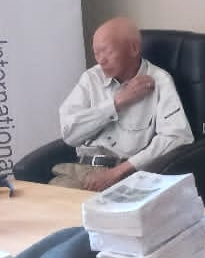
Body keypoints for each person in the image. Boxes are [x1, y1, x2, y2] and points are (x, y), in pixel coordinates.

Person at [51, 17, 193, 192]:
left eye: (106, 51)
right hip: (82, 171)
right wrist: (116, 103)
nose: (101, 60)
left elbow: (177, 137)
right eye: (96, 53)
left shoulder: (159, 81)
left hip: (130, 175)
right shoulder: (91, 79)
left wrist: (119, 172)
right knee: (49, 206)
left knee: (89, 211)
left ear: (133, 48)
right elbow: (69, 133)